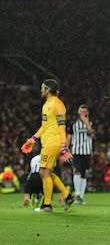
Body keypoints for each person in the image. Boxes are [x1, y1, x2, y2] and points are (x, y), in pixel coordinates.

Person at [20, 78, 76, 212]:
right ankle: (67, 196)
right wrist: (33, 139)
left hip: (53, 143)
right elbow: (45, 126)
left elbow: (62, 126)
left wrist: (64, 147)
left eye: (42, 87)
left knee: (43, 172)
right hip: (49, 142)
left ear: (48, 90)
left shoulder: (57, 104)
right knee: (48, 172)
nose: (41, 90)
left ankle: (47, 205)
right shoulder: (46, 104)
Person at [67, 104, 95, 204]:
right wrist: (66, 150)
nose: (83, 113)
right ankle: (77, 193)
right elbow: (69, 137)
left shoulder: (91, 123)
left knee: (84, 174)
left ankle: (81, 197)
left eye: (85, 111)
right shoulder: (73, 124)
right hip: (76, 151)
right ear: (78, 113)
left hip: (87, 152)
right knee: (77, 171)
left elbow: (93, 135)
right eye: (81, 111)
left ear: (87, 113)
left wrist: (87, 123)